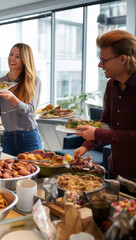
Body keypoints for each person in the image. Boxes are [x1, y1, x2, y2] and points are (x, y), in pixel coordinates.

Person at [74, 30, 136, 186]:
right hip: (115, 171)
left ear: (123, 59)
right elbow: (106, 121)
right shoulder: (111, 85)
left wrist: (97, 133)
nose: (99, 65)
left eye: (104, 60)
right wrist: (87, 145)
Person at [0, 43, 42, 156]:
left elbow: (30, 110)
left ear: (25, 60)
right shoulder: (0, 81)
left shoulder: (33, 80)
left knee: (33, 172)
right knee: (8, 173)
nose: (12, 59)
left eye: (17, 56)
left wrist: (12, 98)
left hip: (28, 137)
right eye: (11, 54)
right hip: (7, 137)